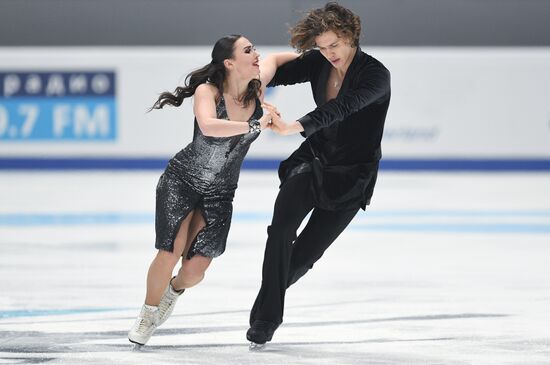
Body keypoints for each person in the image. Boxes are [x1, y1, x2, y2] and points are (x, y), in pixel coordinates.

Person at [127, 34, 297, 347]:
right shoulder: (208, 91)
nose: (256, 54)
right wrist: (255, 125)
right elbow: (208, 125)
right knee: (170, 250)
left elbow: (277, 59)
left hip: (220, 194)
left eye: (254, 49)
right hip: (182, 180)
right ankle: (148, 314)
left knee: (194, 271)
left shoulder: (257, 88)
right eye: (248, 51)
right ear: (229, 62)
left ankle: (173, 291)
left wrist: (319, 54)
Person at [246, 2, 391, 347]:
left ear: (351, 37)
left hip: (353, 175)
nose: (328, 54)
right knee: (281, 229)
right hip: (312, 160)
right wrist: (259, 81)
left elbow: (341, 108)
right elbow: (279, 66)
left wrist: (293, 126)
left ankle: (266, 301)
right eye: (321, 47)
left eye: (334, 46)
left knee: (304, 256)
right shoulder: (320, 62)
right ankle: (266, 320)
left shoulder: (375, 75)